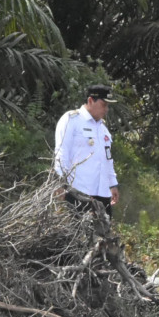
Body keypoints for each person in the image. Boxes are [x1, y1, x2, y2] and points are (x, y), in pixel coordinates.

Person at [54, 84, 119, 217]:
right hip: (78, 192)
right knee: (78, 234)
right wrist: (60, 183)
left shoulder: (103, 129)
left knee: (104, 235)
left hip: (102, 193)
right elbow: (62, 152)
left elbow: (107, 159)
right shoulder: (71, 120)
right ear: (90, 101)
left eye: (108, 106)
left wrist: (112, 184)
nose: (106, 109)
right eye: (104, 104)